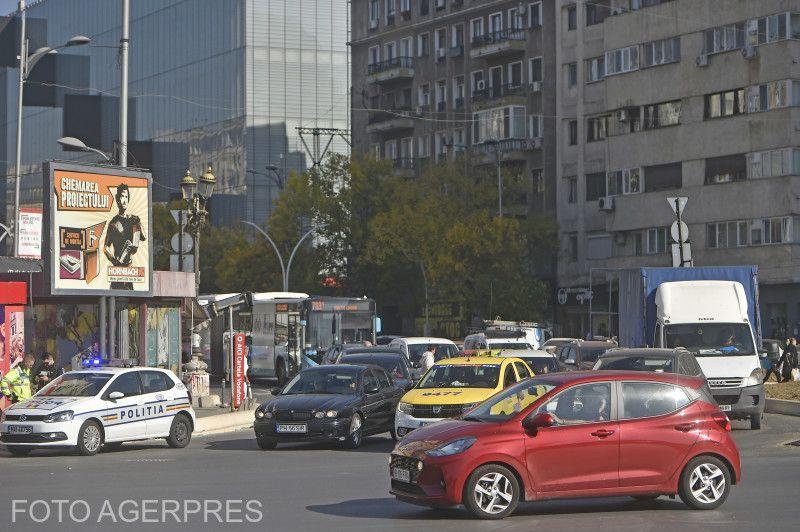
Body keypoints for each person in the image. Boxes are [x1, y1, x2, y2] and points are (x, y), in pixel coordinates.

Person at [103, 183, 145, 290]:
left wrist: (139, 222)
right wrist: (114, 260)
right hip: (117, 269)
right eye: (122, 197)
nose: (125, 200)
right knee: (114, 296)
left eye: (126, 197)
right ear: (117, 200)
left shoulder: (133, 220)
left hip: (130, 270)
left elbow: (143, 237)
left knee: (130, 297)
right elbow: (105, 247)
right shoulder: (113, 223)